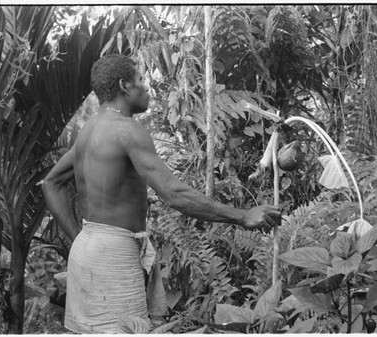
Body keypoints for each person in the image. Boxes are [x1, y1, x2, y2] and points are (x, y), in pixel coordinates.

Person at [42, 54, 281, 334]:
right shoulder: (126, 130)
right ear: (124, 86)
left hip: (87, 250)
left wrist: (79, 237)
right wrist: (242, 216)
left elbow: (51, 182)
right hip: (113, 259)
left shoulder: (89, 130)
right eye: (141, 80)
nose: (146, 87)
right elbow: (173, 194)